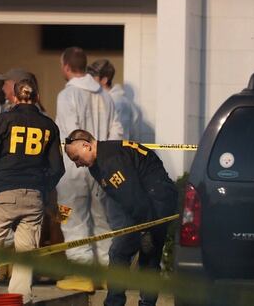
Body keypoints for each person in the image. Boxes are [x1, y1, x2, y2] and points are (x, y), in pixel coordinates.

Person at [0, 78, 65, 305]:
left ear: (14, 97)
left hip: (4, 194)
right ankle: (21, 301)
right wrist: (42, 187)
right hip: (34, 198)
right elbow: (58, 168)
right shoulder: (49, 126)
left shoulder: (2, 120)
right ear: (37, 97)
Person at [64, 129, 178, 306]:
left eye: (76, 158)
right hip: (154, 199)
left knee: (122, 253)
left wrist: (146, 229)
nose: (77, 165)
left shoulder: (110, 161)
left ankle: (114, 303)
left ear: (86, 145)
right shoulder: (102, 158)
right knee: (147, 258)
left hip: (154, 202)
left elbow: (133, 198)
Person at [54, 46, 123, 292]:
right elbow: (116, 130)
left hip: (75, 168)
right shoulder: (105, 96)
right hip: (101, 164)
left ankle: (82, 274)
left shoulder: (67, 96)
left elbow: (72, 133)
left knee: (73, 219)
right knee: (103, 219)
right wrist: (102, 156)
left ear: (65, 66)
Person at [87, 59, 141, 140]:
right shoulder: (98, 99)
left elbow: (121, 137)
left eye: (93, 79)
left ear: (104, 80)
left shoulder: (119, 103)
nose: (89, 82)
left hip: (114, 151)